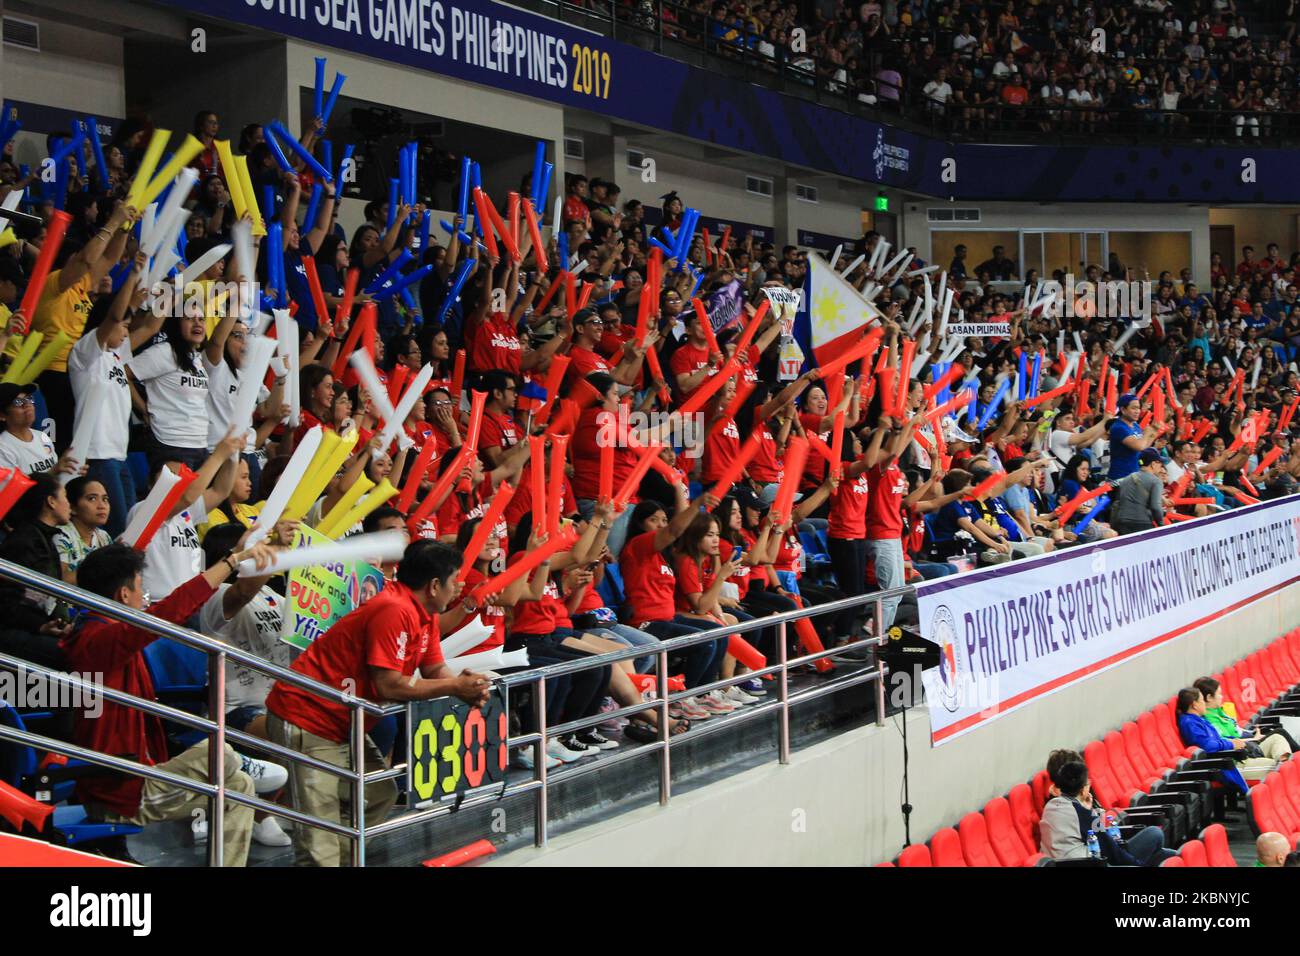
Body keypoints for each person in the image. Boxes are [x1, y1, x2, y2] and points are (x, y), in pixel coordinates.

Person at [264, 540, 491, 867]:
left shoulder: (423, 614)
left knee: (376, 795)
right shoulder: (393, 609)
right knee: (319, 839)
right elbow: (389, 684)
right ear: (434, 585)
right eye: (456, 579)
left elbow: (433, 668)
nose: (459, 587)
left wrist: (464, 684)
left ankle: (337, 854)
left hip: (344, 724)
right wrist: (455, 686)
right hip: (307, 718)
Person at [60, 541, 285, 867]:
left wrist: (237, 550)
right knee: (219, 752)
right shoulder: (101, 639)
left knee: (240, 787)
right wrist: (231, 559)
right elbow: (172, 609)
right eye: (141, 587)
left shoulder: (103, 631)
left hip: (139, 776)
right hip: (119, 791)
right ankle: (231, 760)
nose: (145, 595)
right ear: (124, 595)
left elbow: (170, 606)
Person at [1039, 758, 1176, 866]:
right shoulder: (1080, 813)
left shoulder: (1050, 806)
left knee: (1163, 855)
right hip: (1092, 863)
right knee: (1155, 834)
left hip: (1076, 861)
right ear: (1083, 789)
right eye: (1088, 783)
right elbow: (1111, 852)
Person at [1175, 687, 1276, 793]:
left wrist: (1234, 741)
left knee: (1279, 763)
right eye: (1201, 700)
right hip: (1224, 766)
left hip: (1232, 760)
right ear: (1194, 705)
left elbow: (1216, 740)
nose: (1204, 703)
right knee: (1277, 769)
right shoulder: (1190, 723)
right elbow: (1207, 746)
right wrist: (1231, 745)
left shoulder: (1198, 720)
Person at [1109, 447, 1165, 534]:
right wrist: (1161, 524)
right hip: (1142, 525)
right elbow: (1155, 507)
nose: (1161, 466)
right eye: (1160, 463)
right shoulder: (1156, 481)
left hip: (1122, 524)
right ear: (1153, 464)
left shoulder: (1125, 480)